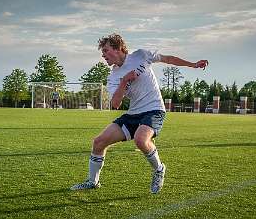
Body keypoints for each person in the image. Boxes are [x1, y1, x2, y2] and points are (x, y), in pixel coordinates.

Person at [70, 33, 208, 194]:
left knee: (141, 140)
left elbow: (168, 59)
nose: (103, 55)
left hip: (154, 109)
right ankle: (92, 182)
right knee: (99, 142)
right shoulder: (114, 76)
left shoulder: (141, 55)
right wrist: (124, 81)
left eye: (106, 50)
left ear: (118, 48)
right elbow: (115, 104)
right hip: (133, 113)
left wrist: (193, 64)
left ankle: (159, 169)